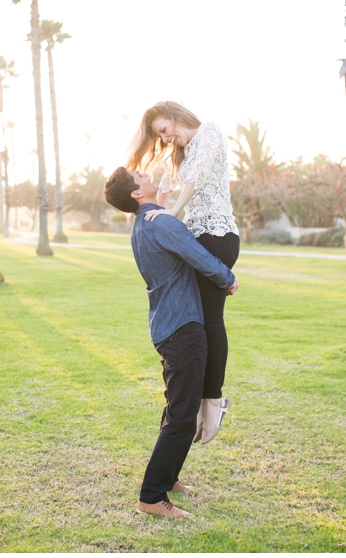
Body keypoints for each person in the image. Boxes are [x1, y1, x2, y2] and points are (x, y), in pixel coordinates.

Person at [104, 167, 238, 518]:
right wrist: (227, 277)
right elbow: (199, 257)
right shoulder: (161, 223)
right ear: (136, 194)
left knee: (175, 408)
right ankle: (151, 497)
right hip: (183, 329)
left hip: (167, 328)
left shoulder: (141, 226)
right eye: (139, 176)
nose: (145, 174)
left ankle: (169, 476)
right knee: (181, 416)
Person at [126, 100, 239, 444]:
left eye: (164, 130)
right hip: (199, 238)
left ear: (173, 115)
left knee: (210, 320)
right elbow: (166, 186)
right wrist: (156, 206)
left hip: (217, 236)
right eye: (160, 136)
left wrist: (173, 210)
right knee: (201, 322)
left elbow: (197, 177)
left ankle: (213, 400)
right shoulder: (181, 155)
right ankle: (200, 402)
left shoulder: (208, 133)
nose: (167, 138)